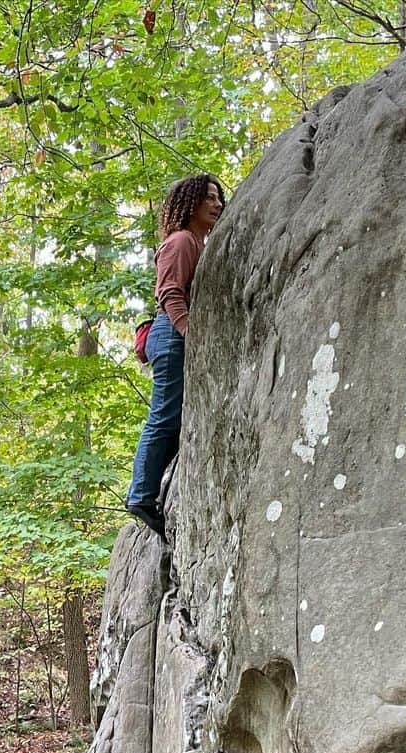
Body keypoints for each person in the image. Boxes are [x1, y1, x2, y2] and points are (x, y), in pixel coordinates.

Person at [126, 173, 225, 538]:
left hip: (177, 334)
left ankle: (155, 487)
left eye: (218, 198)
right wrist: (192, 335)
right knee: (165, 414)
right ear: (191, 203)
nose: (216, 204)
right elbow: (169, 292)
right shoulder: (182, 241)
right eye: (208, 198)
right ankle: (140, 495)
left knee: (177, 415)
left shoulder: (199, 243)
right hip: (171, 333)